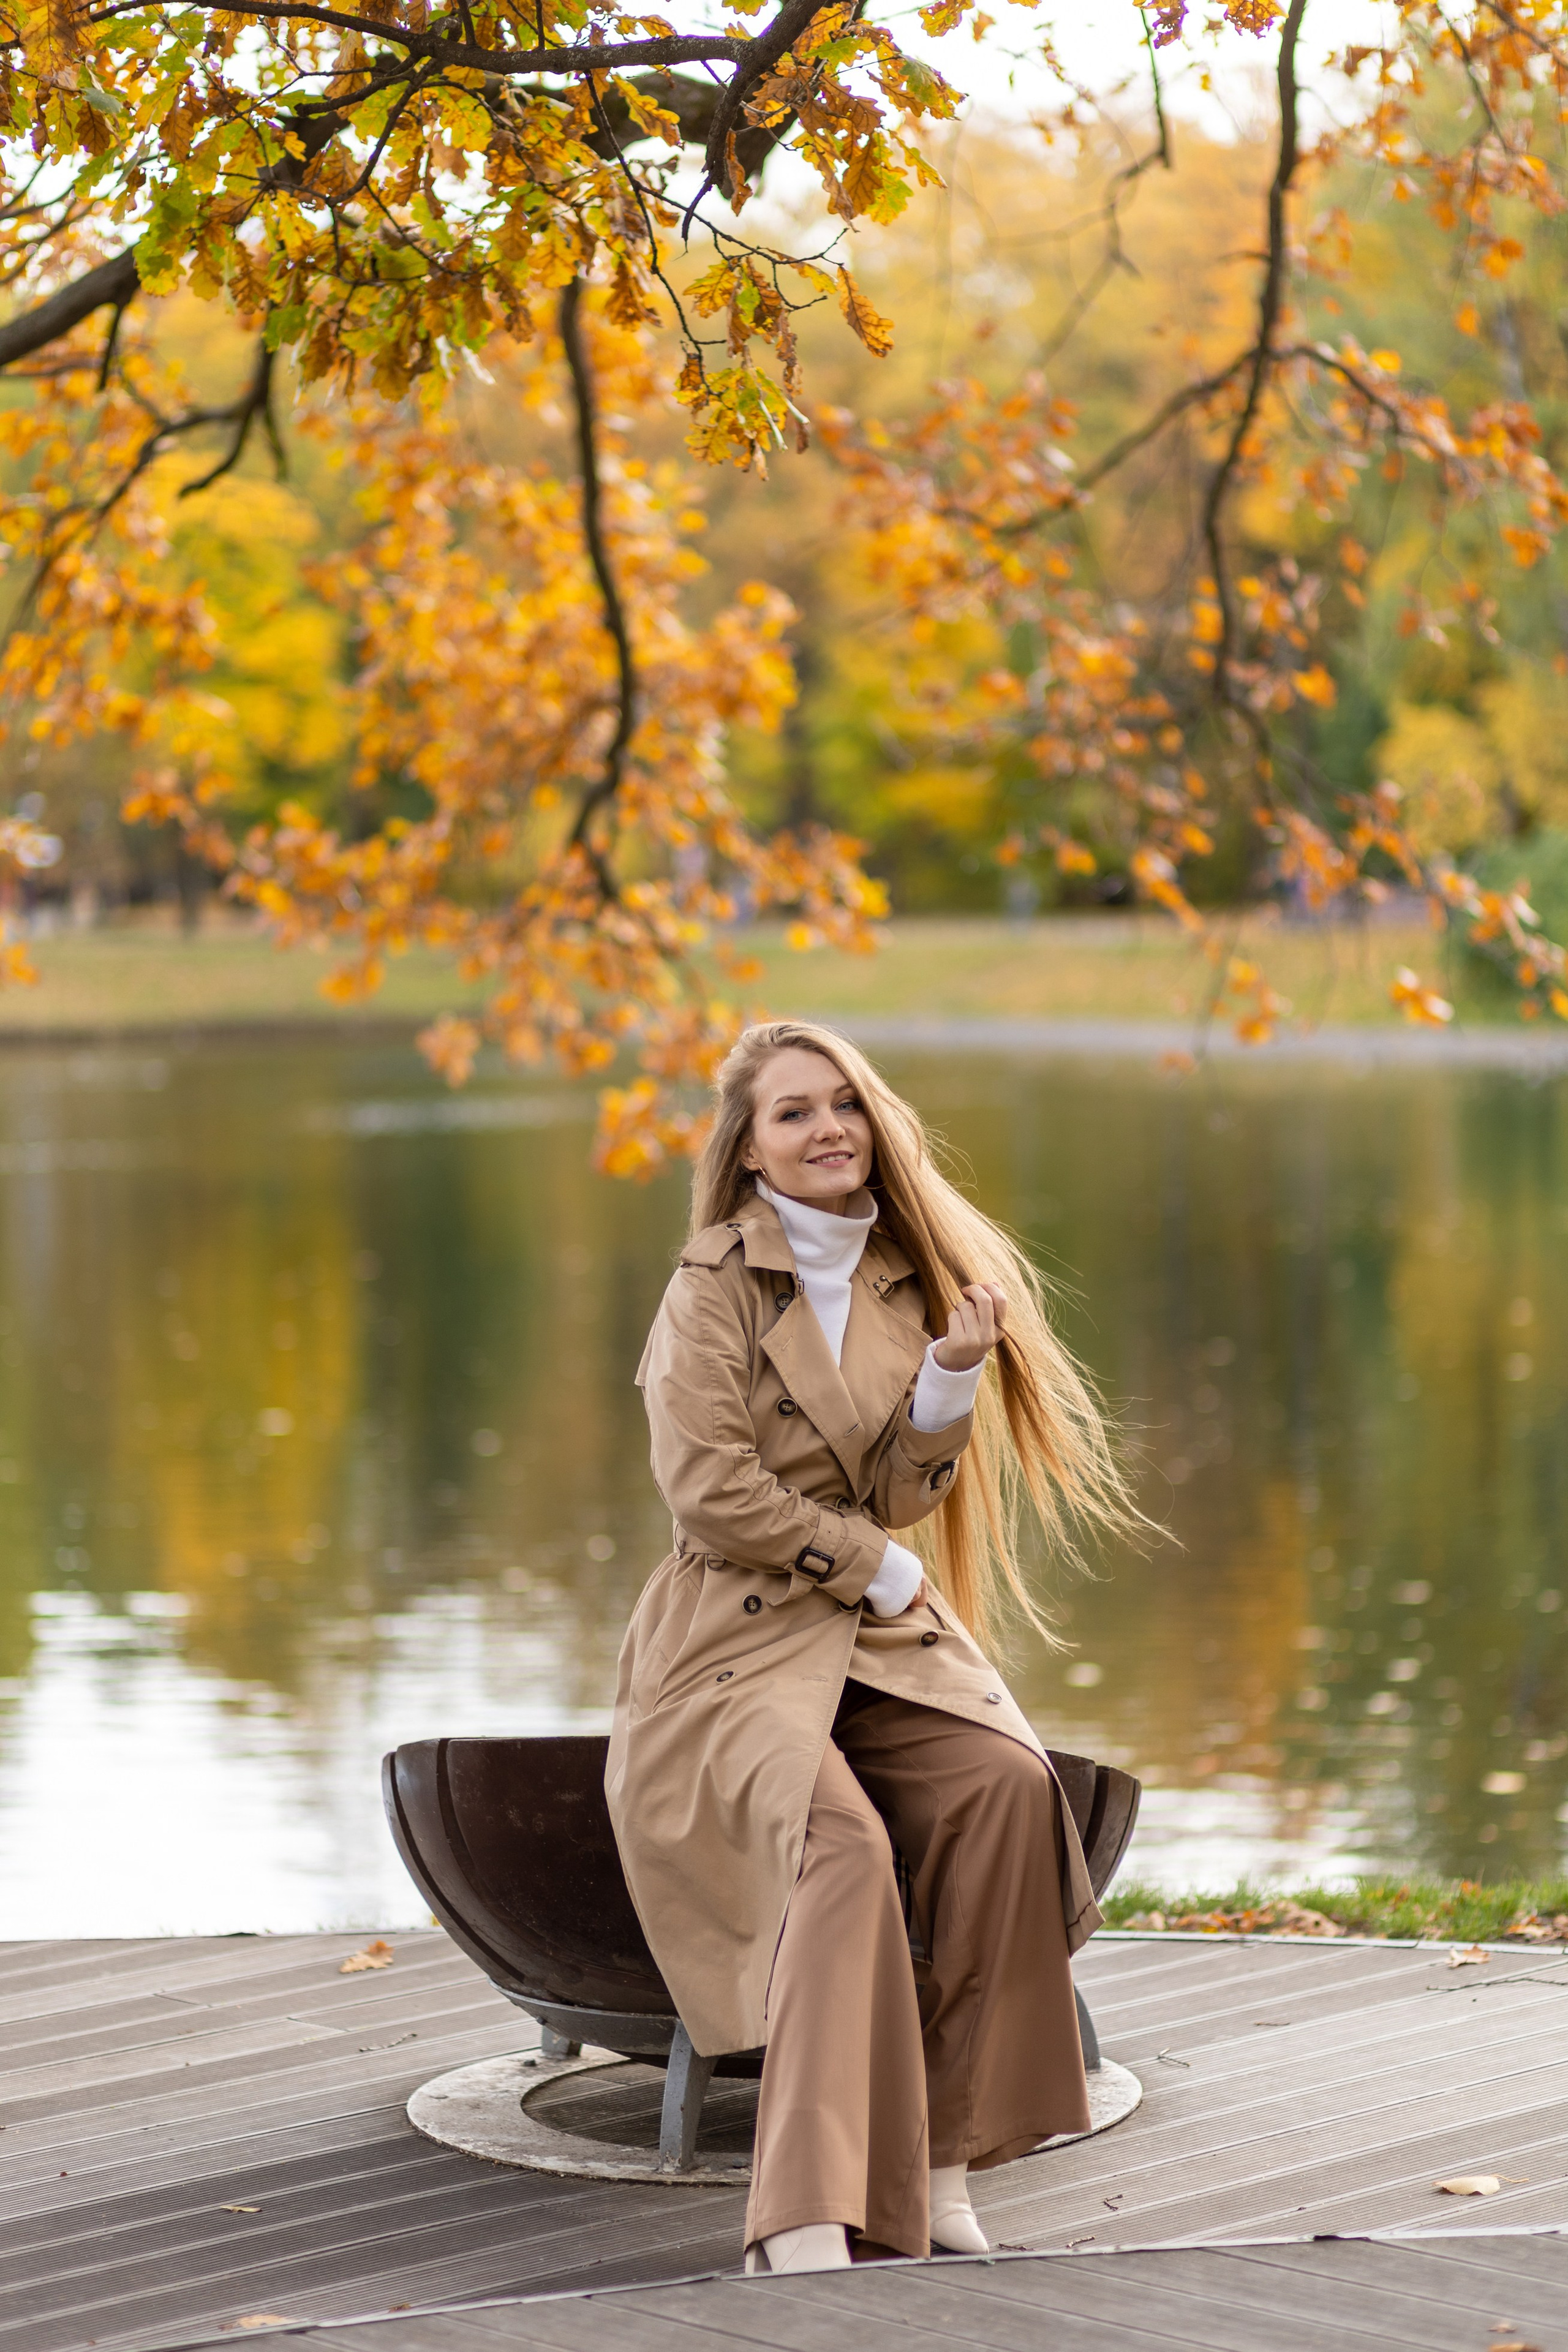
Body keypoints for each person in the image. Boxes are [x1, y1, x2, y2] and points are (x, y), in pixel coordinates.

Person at [606, 1020, 1136, 2274]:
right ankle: (798, 2218)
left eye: (843, 1102)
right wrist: (876, 1567)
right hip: (728, 1646)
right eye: (791, 1112)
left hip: (870, 1644)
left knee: (1005, 1791)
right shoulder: (710, 1285)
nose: (826, 1128)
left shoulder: (902, 1276)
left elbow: (894, 1487)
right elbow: (709, 1494)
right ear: (748, 1150)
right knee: (838, 1857)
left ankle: (942, 2167)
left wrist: (950, 1375)